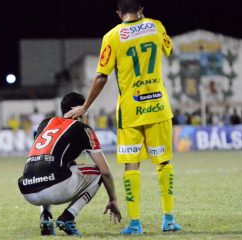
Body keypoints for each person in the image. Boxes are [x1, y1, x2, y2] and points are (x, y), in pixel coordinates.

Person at [64, 0, 181, 235]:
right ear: (142, 9)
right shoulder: (157, 26)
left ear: (119, 14)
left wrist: (85, 106)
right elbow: (170, 50)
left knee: (131, 165)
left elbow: (101, 77)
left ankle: (135, 224)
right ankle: (168, 219)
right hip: (158, 105)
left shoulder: (112, 36)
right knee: (164, 163)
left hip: (130, 111)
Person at [18, 92, 121, 236]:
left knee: (49, 166)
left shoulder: (45, 123)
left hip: (27, 189)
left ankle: (45, 217)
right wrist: (113, 199)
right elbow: (105, 171)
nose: (86, 114)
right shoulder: (83, 129)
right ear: (76, 109)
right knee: (98, 173)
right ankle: (69, 216)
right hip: (54, 188)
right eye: (85, 109)